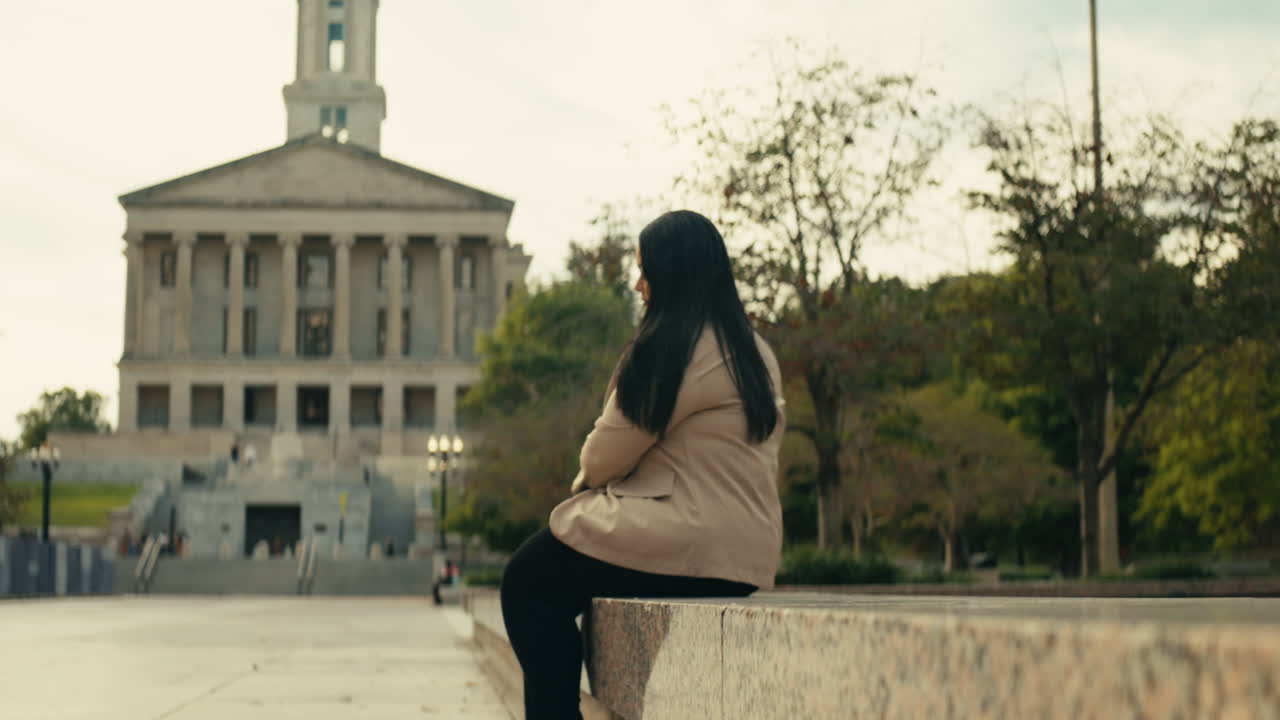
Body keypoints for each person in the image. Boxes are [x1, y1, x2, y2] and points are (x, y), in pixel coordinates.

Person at [500, 210, 785, 720]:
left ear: (669, 275)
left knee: (528, 580)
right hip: (745, 555)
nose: (638, 285)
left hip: (686, 540)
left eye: (644, 272)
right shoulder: (755, 350)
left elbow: (602, 456)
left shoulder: (673, 348)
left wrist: (587, 482)